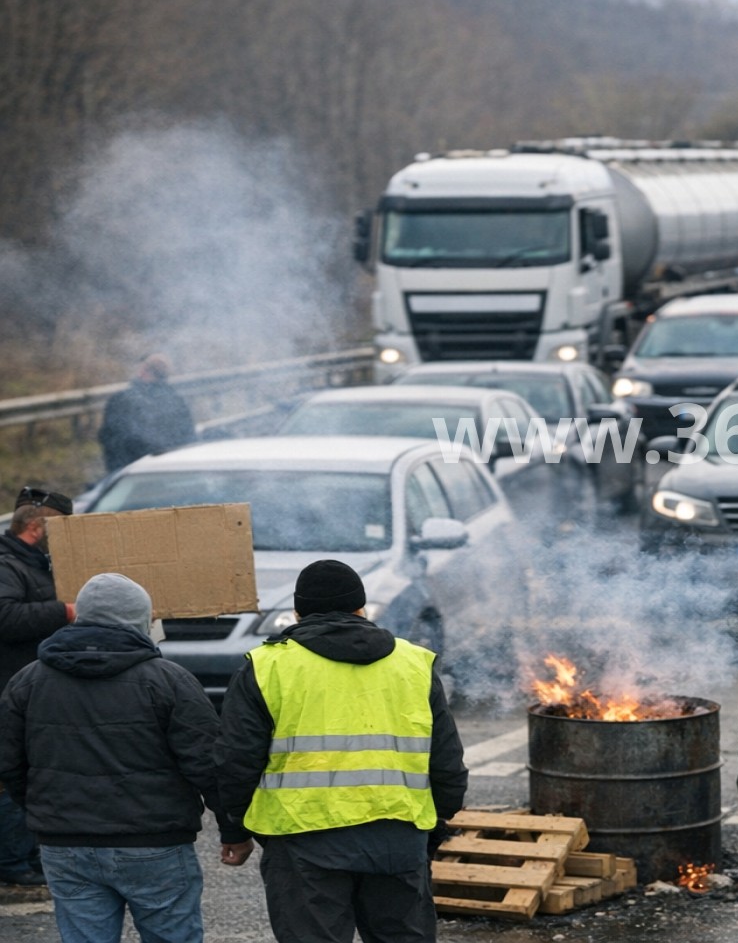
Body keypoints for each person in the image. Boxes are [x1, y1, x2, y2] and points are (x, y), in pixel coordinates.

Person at [213, 559, 466, 943]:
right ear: (361, 609)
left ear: (298, 613)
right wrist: (435, 824)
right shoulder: (414, 664)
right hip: (398, 840)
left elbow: (236, 762)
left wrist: (236, 828)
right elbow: (447, 762)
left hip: (302, 843)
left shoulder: (268, 667)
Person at [0, 573, 221, 943]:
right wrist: (234, 829)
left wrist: (43, 811)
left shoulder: (28, 681)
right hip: (155, 840)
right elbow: (208, 763)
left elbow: (10, 763)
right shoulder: (169, 680)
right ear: (141, 619)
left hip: (65, 842)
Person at [0, 486, 75, 887]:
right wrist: (65, 611)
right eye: (61, 528)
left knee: (32, 771)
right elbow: (5, 617)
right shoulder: (7, 565)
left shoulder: (33, 564)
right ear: (36, 527)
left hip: (29, 687)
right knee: (13, 772)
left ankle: (28, 856)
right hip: (9, 689)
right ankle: (13, 862)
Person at [98, 355, 197, 472]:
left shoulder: (121, 400)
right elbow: (188, 437)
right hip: (170, 469)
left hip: (132, 471)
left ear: (143, 371)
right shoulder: (177, 401)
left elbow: (109, 436)